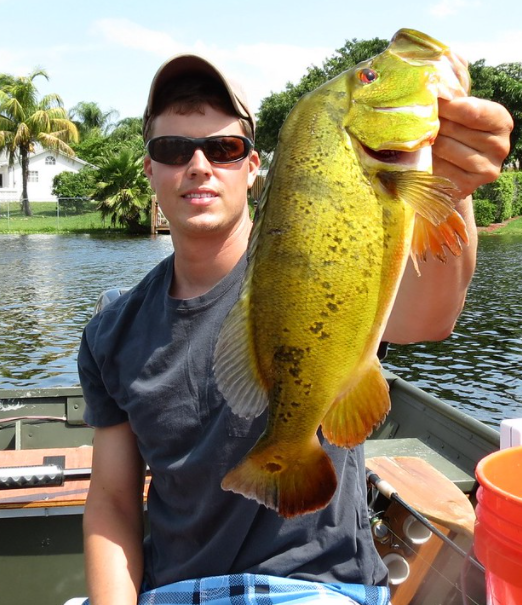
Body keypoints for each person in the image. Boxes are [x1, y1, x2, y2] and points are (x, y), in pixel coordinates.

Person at [78, 52, 513, 605]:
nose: (198, 165)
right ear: (149, 169)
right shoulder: (112, 329)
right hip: (176, 592)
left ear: (254, 165)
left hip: (319, 590)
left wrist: (452, 185)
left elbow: (429, 316)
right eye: (172, 149)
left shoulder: (329, 267)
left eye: (223, 148)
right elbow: (113, 502)